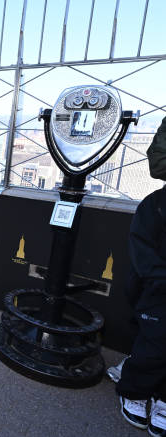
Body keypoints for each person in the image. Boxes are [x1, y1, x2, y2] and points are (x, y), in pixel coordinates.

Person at [116, 116, 166, 436]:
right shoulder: (156, 207)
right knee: (156, 336)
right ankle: (135, 389)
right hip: (160, 283)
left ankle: (162, 397)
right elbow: (158, 163)